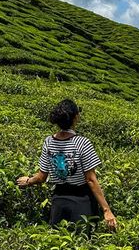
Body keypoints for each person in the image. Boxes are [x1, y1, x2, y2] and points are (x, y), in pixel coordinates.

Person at [17, 99, 117, 231]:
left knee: (57, 242)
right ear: (76, 118)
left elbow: (41, 177)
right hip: (82, 201)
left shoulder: (49, 142)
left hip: (59, 200)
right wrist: (107, 210)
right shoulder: (83, 143)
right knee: (81, 243)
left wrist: (28, 181)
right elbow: (91, 180)